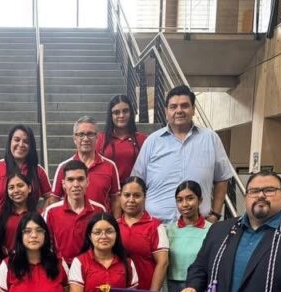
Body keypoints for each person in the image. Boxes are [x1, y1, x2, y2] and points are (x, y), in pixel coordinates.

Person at [131, 85, 233, 224]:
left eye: (184, 106)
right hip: (157, 226)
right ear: (166, 111)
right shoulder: (152, 141)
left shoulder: (210, 139)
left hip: (198, 226)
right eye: (173, 107)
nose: (179, 110)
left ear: (193, 109)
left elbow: (222, 178)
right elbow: (137, 181)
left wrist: (215, 214)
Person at [52, 116, 121, 217]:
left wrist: (116, 223)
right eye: (81, 134)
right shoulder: (63, 167)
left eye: (90, 134)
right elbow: (54, 198)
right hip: (72, 222)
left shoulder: (110, 166)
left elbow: (116, 199)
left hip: (100, 223)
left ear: (97, 137)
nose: (85, 138)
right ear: (74, 139)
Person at [43, 160, 105, 265]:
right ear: (63, 184)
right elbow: (46, 245)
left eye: (80, 179)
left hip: (91, 267)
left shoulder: (99, 210)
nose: (76, 184)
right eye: (70, 180)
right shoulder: (51, 212)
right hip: (61, 268)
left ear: (87, 182)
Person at [0, 124, 55, 210]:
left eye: (26, 141)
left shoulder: (38, 170)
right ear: (10, 142)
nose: (21, 144)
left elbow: (50, 197)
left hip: (30, 218)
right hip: (1, 218)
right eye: (17, 140)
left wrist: (42, 214)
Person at [97, 95, 147, 183]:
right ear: (111, 115)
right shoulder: (101, 138)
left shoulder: (142, 139)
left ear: (131, 113)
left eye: (125, 111)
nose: (121, 115)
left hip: (134, 188)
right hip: (108, 188)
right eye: (116, 112)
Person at [0, 172, 37, 252]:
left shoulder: (40, 214)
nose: (16, 190)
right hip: (8, 258)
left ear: (29, 188)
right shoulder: (0, 214)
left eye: (20, 186)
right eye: (11, 188)